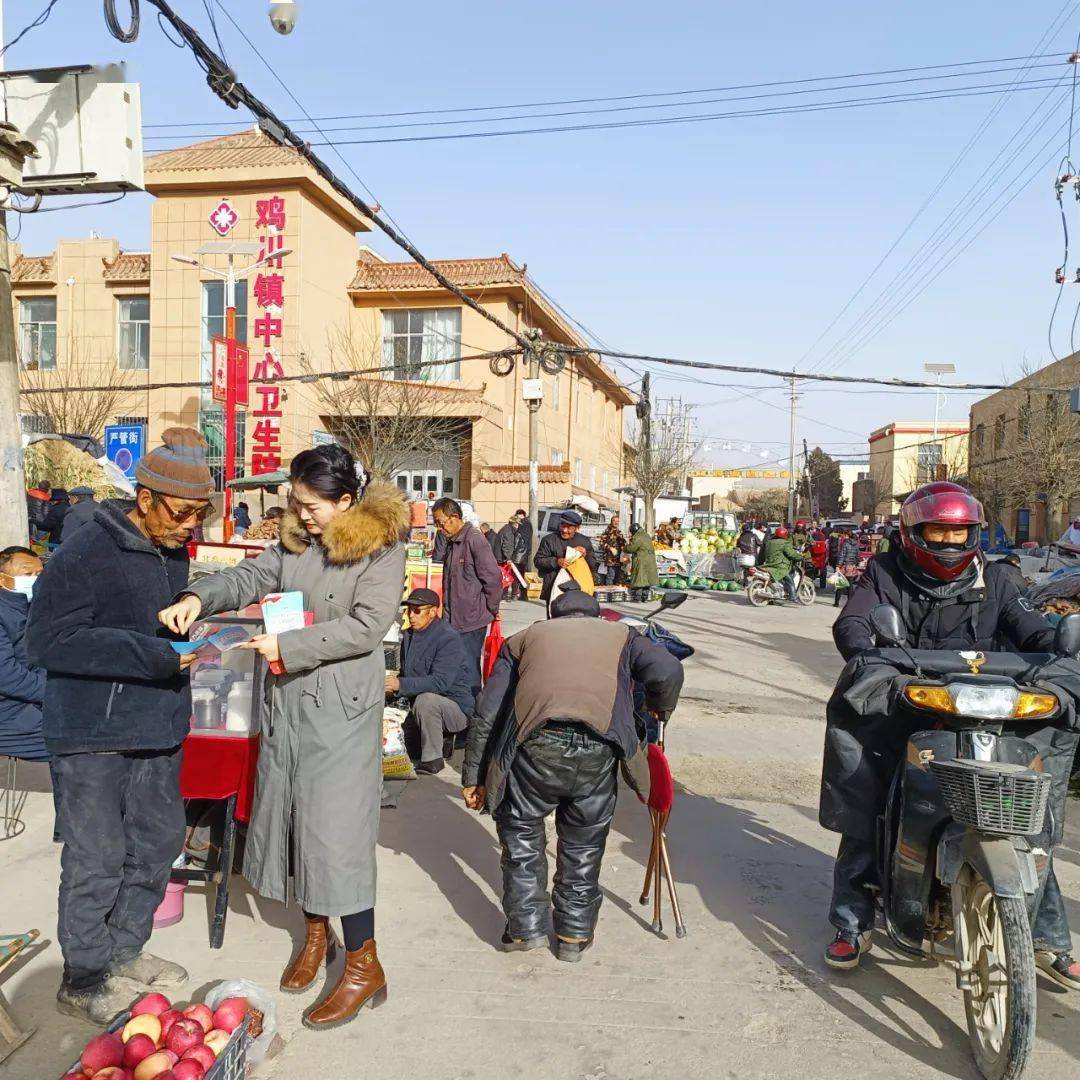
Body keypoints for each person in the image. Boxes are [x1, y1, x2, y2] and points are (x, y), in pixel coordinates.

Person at [159, 444, 408, 1029]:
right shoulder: (297, 541)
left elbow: (367, 627)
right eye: (296, 503)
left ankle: (363, 962)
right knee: (295, 824)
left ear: (346, 501)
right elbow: (251, 574)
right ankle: (315, 934)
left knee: (338, 835)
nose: (302, 515)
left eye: (312, 505)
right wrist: (200, 596)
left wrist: (287, 646)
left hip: (340, 713)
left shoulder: (381, 549)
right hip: (288, 706)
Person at [822, 482, 1080, 988]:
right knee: (870, 796)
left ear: (974, 534)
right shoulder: (883, 572)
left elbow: (1026, 627)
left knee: (1032, 813)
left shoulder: (999, 580)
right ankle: (851, 922)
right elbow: (853, 623)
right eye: (937, 531)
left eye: (959, 532)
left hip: (989, 707)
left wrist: (1053, 642)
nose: (948, 543)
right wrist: (868, 652)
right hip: (910, 705)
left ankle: (1049, 940)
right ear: (912, 532)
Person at [26, 428, 212, 1023]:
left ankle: (124, 949)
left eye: (199, 514)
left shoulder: (174, 547)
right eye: (182, 513)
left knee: (157, 845)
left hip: (157, 724)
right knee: (97, 855)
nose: (189, 526)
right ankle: (82, 975)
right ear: (145, 497)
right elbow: (49, 640)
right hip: (91, 731)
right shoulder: (87, 548)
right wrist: (151, 654)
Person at [461, 582, 684, 959]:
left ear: (553, 616)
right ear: (596, 615)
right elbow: (667, 669)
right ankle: (573, 937)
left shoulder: (523, 639)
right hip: (598, 750)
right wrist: (661, 709)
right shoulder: (623, 636)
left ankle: (524, 929)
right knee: (584, 842)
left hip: (534, 748)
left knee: (521, 836)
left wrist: (474, 777)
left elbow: (487, 711)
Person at [388, 588, 474, 775]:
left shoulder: (448, 638)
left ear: (433, 611)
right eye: (408, 610)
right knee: (403, 747)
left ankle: (433, 760)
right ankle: (434, 741)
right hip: (419, 705)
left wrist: (400, 685)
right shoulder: (409, 635)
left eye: (417, 611)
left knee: (427, 700)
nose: (411, 615)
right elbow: (406, 672)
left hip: (455, 709)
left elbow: (440, 682)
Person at [432, 497, 503, 701]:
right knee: (454, 666)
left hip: (471, 620)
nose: (439, 527)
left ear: (454, 517)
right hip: (453, 619)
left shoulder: (474, 539)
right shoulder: (452, 541)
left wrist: (490, 609)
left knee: (469, 669)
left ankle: (471, 716)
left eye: (441, 522)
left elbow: (493, 578)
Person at [0, 547, 46, 762]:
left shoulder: (29, 608)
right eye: (27, 574)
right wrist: (53, 691)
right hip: (7, 713)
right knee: (75, 742)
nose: (35, 580)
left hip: (24, 704)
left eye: (39, 574)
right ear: (3, 579)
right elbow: (6, 675)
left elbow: (36, 658)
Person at [533, 510, 600, 604]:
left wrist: (585, 556)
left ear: (577, 528)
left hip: (578, 589)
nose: (564, 530)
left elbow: (593, 566)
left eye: (569, 528)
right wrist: (556, 562)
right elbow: (538, 561)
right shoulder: (549, 540)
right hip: (554, 588)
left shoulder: (584, 541)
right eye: (562, 526)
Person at [760, 526, 810, 600]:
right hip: (779, 566)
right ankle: (792, 596)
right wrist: (800, 557)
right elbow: (791, 554)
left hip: (768, 564)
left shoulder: (769, 542)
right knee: (790, 581)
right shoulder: (784, 543)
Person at [496, 515, 528, 601]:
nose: (518, 526)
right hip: (503, 559)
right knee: (506, 577)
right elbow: (507, 546)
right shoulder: (508, 532)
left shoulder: (505, 529)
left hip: (501, 558)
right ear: (514, 524)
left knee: (504, 577)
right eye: (517, 524)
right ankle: (504, 595)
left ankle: (504, 595)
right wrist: (509, 558)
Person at [625, 522, 659, 602]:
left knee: (639, 579)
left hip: (641, 560)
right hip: (650, 560)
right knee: (647, 580)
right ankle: (645, 598)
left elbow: (631, 548)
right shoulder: (646, 535)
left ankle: (638, 598)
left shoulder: (637, 537)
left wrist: (625, 548)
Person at [831, 529, 859, 608]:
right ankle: (850, 603)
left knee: (840, 585)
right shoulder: (856, 545)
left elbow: (841, 555)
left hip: (844, 566)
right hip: (852, 566)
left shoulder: (845, 544)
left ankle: (836, 603)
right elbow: (858, 556)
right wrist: (855, 564)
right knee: (850, 585)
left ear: (848, 536)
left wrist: (838, 565)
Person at [597, 514, 627, 587]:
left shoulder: (619, 533)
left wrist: (625, 554)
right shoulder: (607, 532)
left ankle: (615, 595)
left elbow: (623, 544)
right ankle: (609, 592)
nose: (616, 523)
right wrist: (610, 548)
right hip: (611, 559)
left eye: (617, 521)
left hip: (619, 559)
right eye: (614, 521)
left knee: (618, 578)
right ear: (611, 522)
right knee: (611, 576)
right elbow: (601, 543)